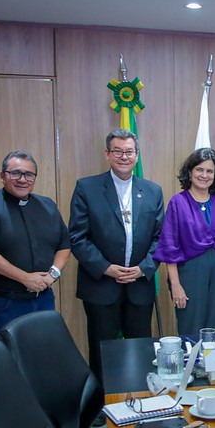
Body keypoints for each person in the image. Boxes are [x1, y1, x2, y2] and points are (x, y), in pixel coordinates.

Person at [69, 128, 164, 383]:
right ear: (107, 154)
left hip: (139, 284)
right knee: (102, 347)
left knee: (140, 347)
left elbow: (161, 238)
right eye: (118, 151)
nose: (124, 157)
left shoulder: (153, 191)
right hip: (101, 284)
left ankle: (139, 395)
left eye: (129, 152)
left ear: (137, 155)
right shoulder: (86, 188)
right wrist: (105, 267)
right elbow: (77, 236)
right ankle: (102, 401)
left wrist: (144, 268)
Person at [0, 151, 71, 340]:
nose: (22, 179)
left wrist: (53, 274)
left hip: (43, 300)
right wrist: (25, 278)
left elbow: (64, 244)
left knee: (42, 357)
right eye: (15, 173)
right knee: (4, 361)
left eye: (28, 174)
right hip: (3, 303)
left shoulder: (47, 206)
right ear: (2, 176)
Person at [153, 148, 215, 335]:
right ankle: (192, 365)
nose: (204, 175)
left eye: (209, 171)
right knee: (190, 328)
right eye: (199, 170)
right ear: (190, 172)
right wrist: (176, 285)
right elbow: (170, 246)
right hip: (189, 274)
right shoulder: (178, 202)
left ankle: (211, 365)